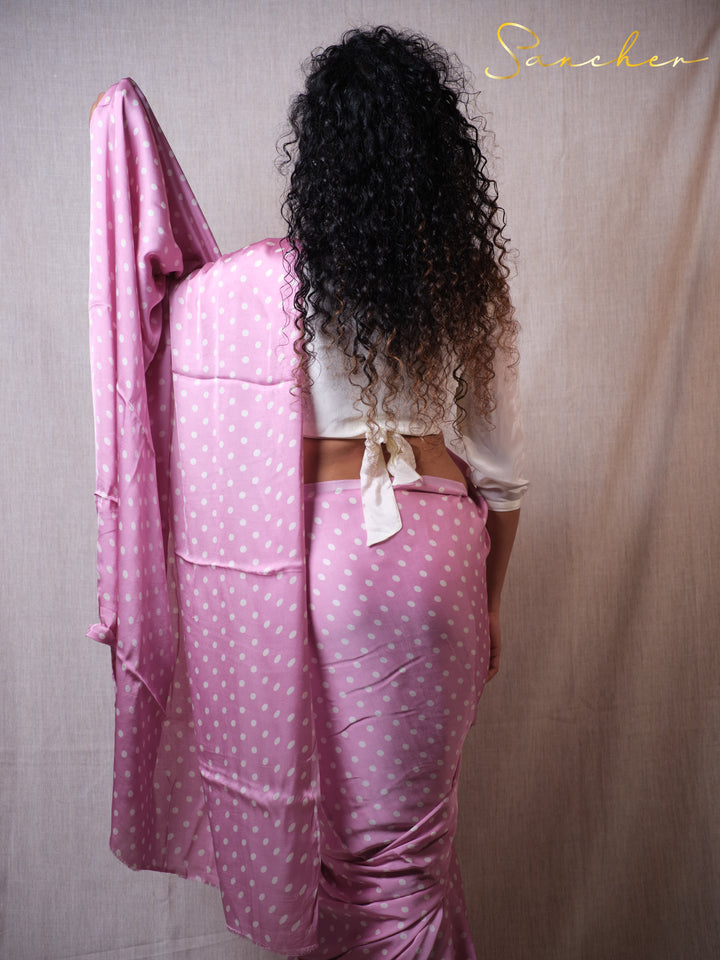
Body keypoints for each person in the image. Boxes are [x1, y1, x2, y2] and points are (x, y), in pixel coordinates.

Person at [88, 25, 526, 960]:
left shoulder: (255, 288)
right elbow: (500, 473)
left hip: (313, 565)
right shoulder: (465, 284)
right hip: (440, 559)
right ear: (441, 158)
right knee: (413, 853)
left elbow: (165, 342)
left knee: (330, 850)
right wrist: (489, 608)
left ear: (321, 154)